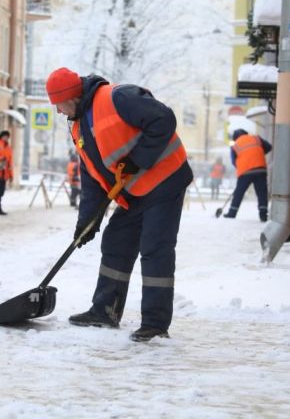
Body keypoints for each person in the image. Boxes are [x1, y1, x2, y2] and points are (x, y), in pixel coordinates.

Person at [46, 67, 193, 342]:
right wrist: (87, 223)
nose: (58, 112)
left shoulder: (117, 97)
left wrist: (138, 159)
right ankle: (105, 311)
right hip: (134, 191)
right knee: (116, 242)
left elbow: (163, 119)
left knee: (154, 248)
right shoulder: (78, 125)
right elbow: (92, 176)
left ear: (71, 96)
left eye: (59, 105)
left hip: (165, 179)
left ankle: (155, 323)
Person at [223, 128, 272, 221]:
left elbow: (234, 161)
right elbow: (268, 147)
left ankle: (232, 213)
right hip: (260, 169)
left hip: (245, 171)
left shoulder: (235, 144)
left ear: (235, 137)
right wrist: (258, 153)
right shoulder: (256, 138)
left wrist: (242, 165)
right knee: (262, 193)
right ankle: (263, 215)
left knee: (239, 193)